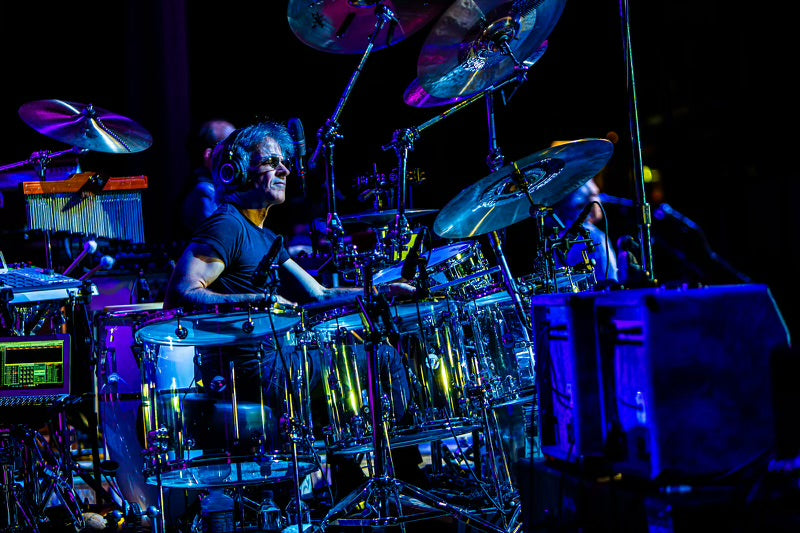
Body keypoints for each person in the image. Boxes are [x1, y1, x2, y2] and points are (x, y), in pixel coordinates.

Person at [162, 120, 423, 500]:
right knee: (380, 359)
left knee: (366, 352)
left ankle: (354, 476)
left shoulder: (265, 237)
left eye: (284, 161)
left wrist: (378, 291)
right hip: (254, 370)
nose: (285, 169)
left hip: (279, 360)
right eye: (271, 161)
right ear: (233, 170)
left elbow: (317, 294)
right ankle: (404, 477)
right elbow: (181, 294)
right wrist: (257, 302)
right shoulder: (226, 225)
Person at [181, 119, 236, 234]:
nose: (236, 158)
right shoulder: (206, 191)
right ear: (209, 155)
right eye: (230, 151)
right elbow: (216, 237)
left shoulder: (212, 187)